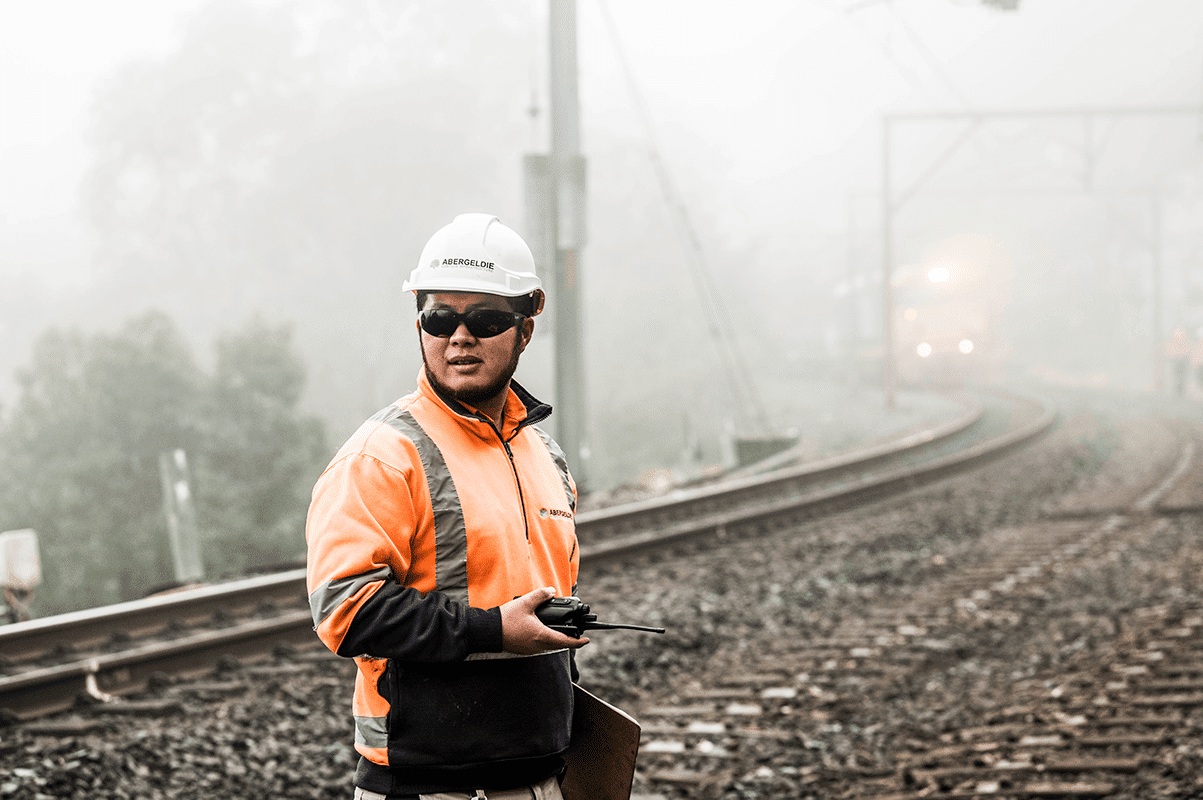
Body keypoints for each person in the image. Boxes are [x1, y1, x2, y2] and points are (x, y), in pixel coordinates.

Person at [306, 213, 587, 800]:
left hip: (538, 778)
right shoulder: (383, 457)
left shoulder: (546, 458)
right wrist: (494, 630)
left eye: (484, 319)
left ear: (525, 329)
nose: (459, 337)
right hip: (426, 785)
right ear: (420, 325)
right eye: (439, 317)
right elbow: (344, 612)